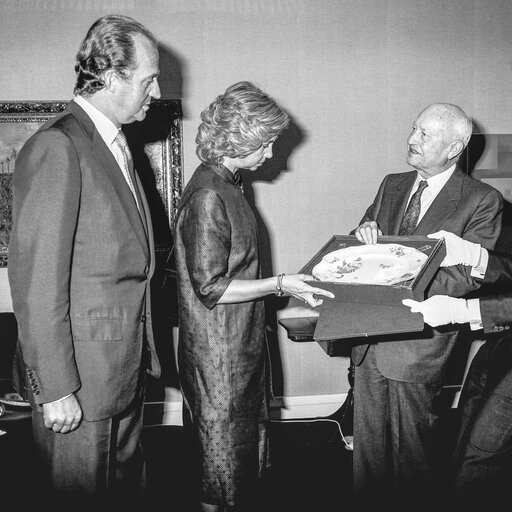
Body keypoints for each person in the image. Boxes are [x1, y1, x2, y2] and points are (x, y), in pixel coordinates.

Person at [8, 14, 161, 505]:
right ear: (113, 78)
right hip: (79, 381)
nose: (155, 92)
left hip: (121, 370)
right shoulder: (59, 145)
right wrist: (55, 387)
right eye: (148, 79)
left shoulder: (113, 144)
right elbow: (36, 282)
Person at [174, 81, 334, 512]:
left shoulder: (230, 183)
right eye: (264, 144)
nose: (270, 154)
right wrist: (281, 284)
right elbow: (210, 287)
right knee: (219, 462)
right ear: (237, 140)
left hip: (237, 343)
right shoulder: (209, 194)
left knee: (238, 457)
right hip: (218, 353)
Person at [350, 103, 503, 508]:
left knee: (412, 456)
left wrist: (404, 286)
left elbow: (472, 275)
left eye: (424, 135)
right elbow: (365, 241)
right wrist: (363, 232)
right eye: (413, 129)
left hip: (420, 343)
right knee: (367, 457)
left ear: (454, 148)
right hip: (369, 340)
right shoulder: (391, 184)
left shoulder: (482, 199)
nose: (411, 140)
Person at [403, 230, 512, 511]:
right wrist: (476, 256)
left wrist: (463, 311)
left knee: (482, 449)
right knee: (464, 424)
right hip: (504, 343)